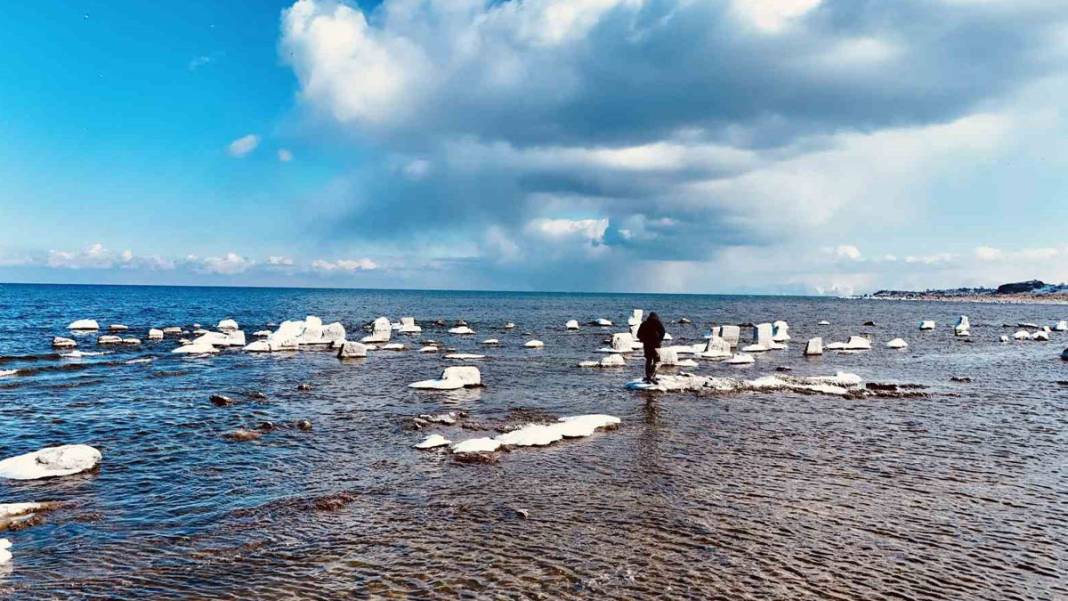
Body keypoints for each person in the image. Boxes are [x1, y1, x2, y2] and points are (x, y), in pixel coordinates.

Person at [636, 312, 666, 384]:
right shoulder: (658, 323)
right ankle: (652, 375)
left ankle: (648, 376)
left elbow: (638, 334)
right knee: (657, 360)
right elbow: (663, 332)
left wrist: (643, 339)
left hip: (647, 345)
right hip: (656, 345)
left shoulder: (644, 324)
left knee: (648, 360)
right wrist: (660, 339)